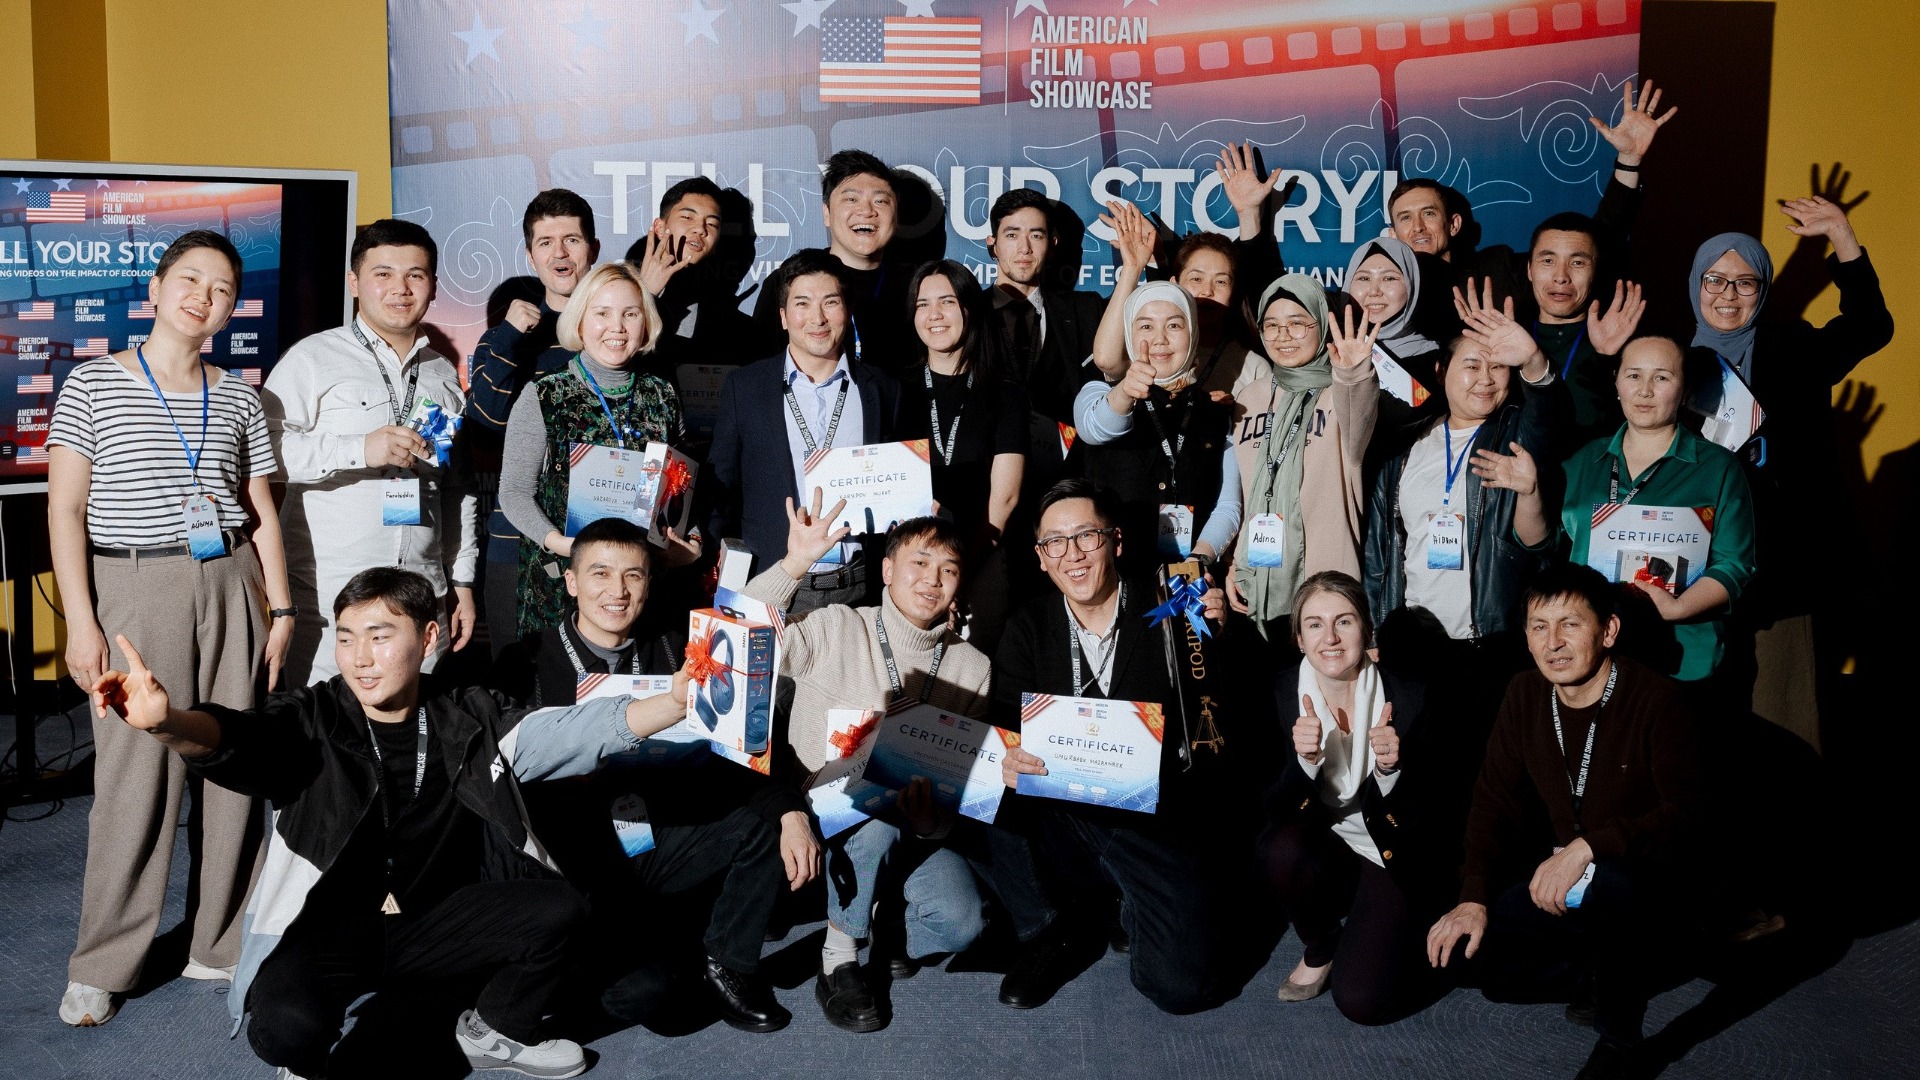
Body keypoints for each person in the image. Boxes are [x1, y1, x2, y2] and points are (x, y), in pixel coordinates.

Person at [87, 566, 713, 1078]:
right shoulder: (312, 717)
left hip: (436, 920)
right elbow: (239, 739)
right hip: (329, 929)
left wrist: (671, 702)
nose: (360, 658)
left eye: (380, 636)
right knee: (284, 1032)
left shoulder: (467, 714)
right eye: (346, 638)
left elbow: (568, 732)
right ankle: (309, 1059)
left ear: (429, 636)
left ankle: (494, 1030)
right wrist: (169, 724)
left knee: (562, 909)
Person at [46, 230, 295, 1027]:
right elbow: (65, 510)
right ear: (155, 290)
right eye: (189, 279)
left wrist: (281, 608)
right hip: (133, 585)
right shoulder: (92, 383)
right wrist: (81, 625)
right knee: (133, 776)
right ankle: (102, 963)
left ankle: (219, 944)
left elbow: (260, 511)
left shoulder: (240, 396)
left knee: (231, 761)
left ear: (232, 308)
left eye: (222, 288)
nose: (204, 297)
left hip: (230, 581)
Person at [498, 516, 812, 1035]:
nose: (617, 591)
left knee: (760, 825)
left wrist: (791, 812)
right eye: (600, 574)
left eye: (633, 575)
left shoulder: (675, 648)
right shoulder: (525, 661)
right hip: (575, 861)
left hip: (658, 838)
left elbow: (737, 746)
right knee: (653, 998)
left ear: (649, 583)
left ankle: (728, 966)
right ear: (571, 582)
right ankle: (587, 963)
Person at [1426, 564, 1709, 1080]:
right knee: (1471, 961)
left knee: (1617, 884)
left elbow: (1689, 816)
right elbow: (1492, 802)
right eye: (1539, 626)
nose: (1552, 642)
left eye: (1570, 625)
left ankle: (1620, 1038)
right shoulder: (1523, 693)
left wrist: (1588, 847)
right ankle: (1604, 970)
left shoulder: (1658, 701)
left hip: (1645, 880)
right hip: (1572, 883)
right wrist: (1472, 897)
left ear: (1608, 631)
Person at [742, 503, 1000, 1032]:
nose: (932, 579)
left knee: (962, 923)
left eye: (948, 569)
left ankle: (873, 913)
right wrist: (794, 565)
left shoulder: (973, 668)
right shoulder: (837, 626)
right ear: (886, 569)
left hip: (907, 832)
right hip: (820, 816)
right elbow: (742, 634)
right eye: (919, 562)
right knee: (873, 812)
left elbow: (958, 787)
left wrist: (932, 825)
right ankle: (837, 960)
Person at [993, 479, 1237, 1015]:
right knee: (980, 786)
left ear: (1116, 542)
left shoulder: (1176, 606)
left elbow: (1213, 736)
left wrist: (1215, 639)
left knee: (1178, 988)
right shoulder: (1028, 625)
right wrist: (1008, 756)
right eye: (1055, 542)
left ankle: (1124, 904)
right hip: (1064, 816)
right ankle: (1057, 929)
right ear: (1040, 557)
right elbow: (1006, 726)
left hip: (1156, 822)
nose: (1073, 554)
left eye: (1087, 536)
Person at [1362, 296, 1570, 862]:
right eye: (1471, 365)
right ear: (1441, 372)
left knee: (1490, 788)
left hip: (1492, 648)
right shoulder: (1404, 453)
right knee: (1421, 786)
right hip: (1416, 649)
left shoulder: (1516, 435)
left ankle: (1483, 890)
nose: (1485, 378)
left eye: (1498, 367)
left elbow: (1551, 417)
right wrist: (1377, 633)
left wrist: (1534, 363)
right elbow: (1381, 556)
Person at [1683, 198, 1892, 750]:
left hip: (1783, 565)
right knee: (1699, 725)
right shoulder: (1667, 360)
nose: (1728, 295)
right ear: (1696, 285)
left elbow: (1871, 326)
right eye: (1715, 280)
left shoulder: (1795, 348)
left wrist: (1841, 234)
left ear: (1763, 291)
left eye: (1745, 282)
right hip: (1693, 565)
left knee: (1783, 719)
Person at [264, 218, 480, 685]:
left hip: (422, 595)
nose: (400, 288)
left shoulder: (442, 372)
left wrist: (461, 580)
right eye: (383, 274)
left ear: (433, 286)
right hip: (329, 599)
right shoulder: (313, 358)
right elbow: (265, 453)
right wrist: (360, 449)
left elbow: (455, 487)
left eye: (415, 275)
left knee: (418, 720)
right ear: (354, 282)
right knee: (325, 721)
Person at [1487, 337, 1756, 692]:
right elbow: (1539, 541)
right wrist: (1529, 493)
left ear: (1685, 390)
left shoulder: (1718, 467)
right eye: (1633, 375)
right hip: (1591, 654)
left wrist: (1677, 608)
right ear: (1616, 383)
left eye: (1662, 377)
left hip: (1683, 659)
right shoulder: (1583, 459)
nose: (1645, 390)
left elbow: (1734, 566)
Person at [1258, 572, 1441, 1023]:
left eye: (1344, 621)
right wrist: (1304, 763)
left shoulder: (1410, 696)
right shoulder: (1279, 692)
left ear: (1367, 629)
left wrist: (1391, 771)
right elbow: (1271, 809)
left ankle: (1398, 928)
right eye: (1315, 624)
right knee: (1279, 851)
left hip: (1386, 847)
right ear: (1299, 639)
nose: (1331, 638)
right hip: (1321, 841)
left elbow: (1434, 817)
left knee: (1362, 1001)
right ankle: (1321, 946)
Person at [498, 261, 696, 638]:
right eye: (602, 313)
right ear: (579, 322)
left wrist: (691, 542)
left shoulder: (662, 395)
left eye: (630, 314)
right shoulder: (545, 395)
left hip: (639, 589)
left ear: (646, 323)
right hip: (562, 584)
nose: (616, 327)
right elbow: (514, 492)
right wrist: (560, 544)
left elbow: (682, 486)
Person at [705, 249, 904, 611]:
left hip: (860, 590)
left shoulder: (883, 389)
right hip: (772, 582)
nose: (817, 318)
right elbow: (721, 488)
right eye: (802, 303)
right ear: (783, 316)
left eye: (830, 302)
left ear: (848, 309)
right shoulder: (745, 387)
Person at [1387, 79, 1673, 312]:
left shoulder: (1498, 270)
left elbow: (1599, 240)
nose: (1418, 227)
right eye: (1405, 218)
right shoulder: (1381, 289)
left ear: (1454, 224)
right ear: (1392, 233)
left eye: (1428, 213)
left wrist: (1628, 161)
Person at [467, 189, 601, 657]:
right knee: (517, 683)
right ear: (530, 255)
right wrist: (509, 339)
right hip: (517, 542)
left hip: (604, 543)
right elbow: (484, 424)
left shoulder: (619, 335)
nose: (559, 253)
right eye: (546, 242)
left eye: (571, 240)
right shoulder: (504, 338)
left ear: (593, 249)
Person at [1225, 274, 1379, 648]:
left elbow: (1359, 418)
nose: (1283, 336)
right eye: (1272, 325)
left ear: (1322, 324)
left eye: (1297, 323)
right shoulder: (1250, 397)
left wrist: (1353, 372)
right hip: (1254, 585)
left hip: (1325, 595)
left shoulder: (1342, 391)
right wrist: (1236, 562)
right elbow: (1245, 492)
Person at [897, 259, 1029, 649]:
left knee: (971, 672)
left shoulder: (1005, 392)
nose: (934, 315)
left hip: (980, 558)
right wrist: (923, 571)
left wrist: (956, 573)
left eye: (947, 302)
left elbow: (1005, 498)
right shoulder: (894, 388)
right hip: (906, 566)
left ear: (969, 309)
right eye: (922, 304)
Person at [1074, 280, 1240, 575]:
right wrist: (1126, 391)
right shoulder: (1099, 393)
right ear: (1129, 333)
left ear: (1193, 332)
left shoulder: (1216, 411)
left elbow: (1227, 505)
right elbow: (1096, 428)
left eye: (1174, 325)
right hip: (1113, 577)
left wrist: (1196, 562)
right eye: (1146, 327)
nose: (1160, 339)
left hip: (1188, 577)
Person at [980, 187, 1105, 504]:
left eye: (1036, 235)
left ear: (1053, 244)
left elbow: (1151, 325)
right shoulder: (964, 315)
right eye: (1012, 235)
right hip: (983, 488)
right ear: (992, 243)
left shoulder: (1086, 311)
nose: (1024, 248)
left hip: (1067, 490)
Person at [750, 150, 913, 373]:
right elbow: (760, 373)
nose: (866, 211)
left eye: (880, 201)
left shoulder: (918, 287)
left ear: (897, 216)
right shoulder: (788, 282)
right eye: (851, 199)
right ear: (826, 213)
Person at [1089, 201, 1260, 405]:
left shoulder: (1254, 367)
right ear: (1174, 285)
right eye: (1196, 279)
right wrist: (1133, 266)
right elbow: (1106, 361)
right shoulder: (1152, 349)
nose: (1207, 291)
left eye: (1221, 281)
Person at [1523, 213, 1647, 446]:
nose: (1561, 277)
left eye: (1577, 263)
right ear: (1530, 269)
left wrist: (1606, 359)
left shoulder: (1623, 345)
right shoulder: (1511, 337)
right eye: (1548, 261)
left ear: (1596, 271)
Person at [1342, 236, 1441, 393]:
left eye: (1389, 278)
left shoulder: (1439, 363)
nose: (1374, 291)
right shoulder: (1332, 351)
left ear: (1412, 285)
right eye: (1364, 278)